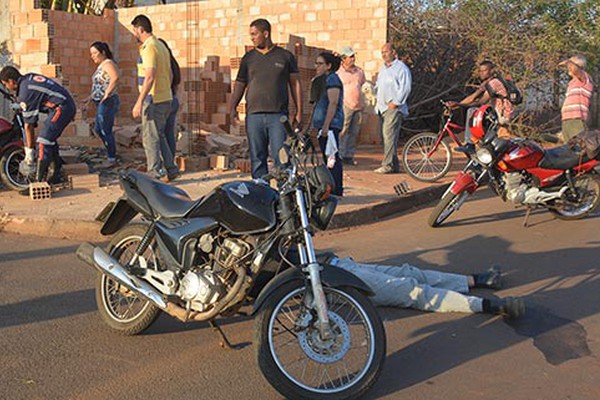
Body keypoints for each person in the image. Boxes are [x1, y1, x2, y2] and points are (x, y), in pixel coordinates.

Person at [319, 253, 525, 318]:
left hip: (337, 263)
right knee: (410, 290)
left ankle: (477, 280)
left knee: (410, 273)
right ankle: (487, 305)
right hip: (330, 282)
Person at [229, 18, 303, 179]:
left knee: (282, 158)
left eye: (255, 34)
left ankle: (285, 196)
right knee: (257, 158)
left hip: (278, 117)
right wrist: (232, 107)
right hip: (254, 116)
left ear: (266, 33)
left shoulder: (285, 56)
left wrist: (299, 112)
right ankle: (261, 194)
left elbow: (295, 84)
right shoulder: (248, 58)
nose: (252, 38)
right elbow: (240, 84)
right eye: (251, 35)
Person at [0, 66, 75, 185]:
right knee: (50, 139)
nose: (6, 87)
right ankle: (55, 175)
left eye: (5, 84)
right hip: (62, 105)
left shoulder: (25, 93)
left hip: (62, 108)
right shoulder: (27, 79)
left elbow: (29, 126)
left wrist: (29, 152)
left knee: (43, 141)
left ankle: (38, 181)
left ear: (11, 81)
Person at [131, 14, 179, 181]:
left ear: (140, 29)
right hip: (165, 98)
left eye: (134, 30)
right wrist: (167, 91)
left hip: (154, 100)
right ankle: (171, 169)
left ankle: (155, 173)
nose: (134, 34)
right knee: (160, 135)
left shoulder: (149, 47)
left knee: (150, 138)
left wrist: (139, 102)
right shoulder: (161, 45)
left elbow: (150, 76)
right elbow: (171, 74)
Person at [447, 60, 514, 143]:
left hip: (502, 114)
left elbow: (481, 101)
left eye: (484, 70)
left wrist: (459, 104)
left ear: (492, 71)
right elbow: (472, 97)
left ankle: (470, 143)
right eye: (480, 71)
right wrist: (457, 105)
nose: (481, 73)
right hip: (495, 112)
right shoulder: (486, 83)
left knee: (472, 111)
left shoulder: (494, 83)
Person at [374, 43, 412, 174]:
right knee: (389, 137)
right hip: (381, 107)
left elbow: (405, 88)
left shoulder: (401, 68)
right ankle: (394, 165)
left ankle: (388, 165)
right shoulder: (383, 69)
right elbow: (379, 86)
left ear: (393, 52)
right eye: (382, 52)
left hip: (393, 107)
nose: (384, 54)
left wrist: (396, 102)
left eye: (386, 52)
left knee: (388, 135)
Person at [81, 42, 120, 166]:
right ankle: (110, 153)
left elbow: (115, 78)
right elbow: (99, 86)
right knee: (98, 129)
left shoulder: (108, 64)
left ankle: (112, 158)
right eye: (91, 54)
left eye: (95, 53)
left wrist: (107, 93)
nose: (92, 56)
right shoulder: (101, 66)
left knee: (105, 129)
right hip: (100, 101)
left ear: (103, 52)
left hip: (107, 101)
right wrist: (90, 98)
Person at [311, 52, 344, 196]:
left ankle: (336, 190)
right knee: (327, 158)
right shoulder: (322, 80)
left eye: (320, 64)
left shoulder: (332, 79)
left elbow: (333, 103)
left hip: (330, 126)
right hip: (323, 125)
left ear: (329, 66)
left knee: (332, 158)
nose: (317, 67)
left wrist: (326, 126)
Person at [337, 46, 366, 166]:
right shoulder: (339, 73)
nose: (353, 59)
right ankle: (340, 155)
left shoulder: (359, 72)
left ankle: (349, 155)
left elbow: (363, 85)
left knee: (354, 132)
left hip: (358, 106)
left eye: (353, 56)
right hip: (345, 105)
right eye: (350, 57)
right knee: (343, 131)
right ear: (343, 58)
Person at [558, 55, 594, 143]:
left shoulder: (585, 79)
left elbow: (576, 70)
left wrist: (568, 62)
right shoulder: (572, 83)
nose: (568, 68)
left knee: (579, 150)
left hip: (577, 120)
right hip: (567, 120)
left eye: (570, 66)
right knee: (568, 150)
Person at [158, 38, 181, 157]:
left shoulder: (163, 64)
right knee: (169, 133)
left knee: (159, 134)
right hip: (173, 99)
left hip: (163, 100)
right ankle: (170, 161)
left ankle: (163, 163)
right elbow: (176, 84)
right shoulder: (173, 63)